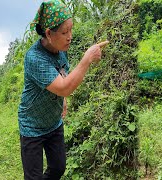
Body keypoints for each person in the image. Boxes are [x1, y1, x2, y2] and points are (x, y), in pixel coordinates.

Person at [18, 0, 109, 179]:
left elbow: (63, 75)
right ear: (49, 34)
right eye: (64, 32)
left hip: (53, 122)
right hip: (32, 126)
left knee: (58, 168)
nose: (70, 36)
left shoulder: (61, 49)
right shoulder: (35, 58)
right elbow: (64, 87)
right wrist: (87, 59)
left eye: (71, 29)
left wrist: (63, 101)